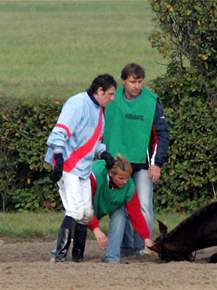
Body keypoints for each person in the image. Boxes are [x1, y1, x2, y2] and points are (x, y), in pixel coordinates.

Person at [45, 74, 117, 262]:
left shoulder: (100, 110)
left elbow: (95, 142)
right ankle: (59, 255)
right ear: (99, 91)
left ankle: (78, 255)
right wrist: (58, 160)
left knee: (86, 214)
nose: (112, 98)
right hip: (68, 165)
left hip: (83, 168)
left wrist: (104, 154)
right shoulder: (76, 104)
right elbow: (59, 133)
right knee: (75, 212)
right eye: (110, 94)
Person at [103, 63, 169, 256]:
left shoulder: (152, 102)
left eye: (140, 82)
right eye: (133, 82)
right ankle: (125, 247)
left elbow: (161, 135)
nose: (137, 86)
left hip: (142, 164)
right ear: (124, 81)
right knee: (119, 206)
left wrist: (156, 163)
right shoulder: (111, 98)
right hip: (116, 164)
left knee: (144, 205)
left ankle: (143, 248)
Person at [87, 156, 154, 263]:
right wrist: (96, 229)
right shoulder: (95, 176)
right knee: (76, 221)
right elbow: (85, 206)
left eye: (127, 178)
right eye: (121, 178)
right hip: (87, 205)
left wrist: (146, 237)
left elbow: (135, 214)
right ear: (110, 174)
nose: (125, 182)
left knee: (120, 215)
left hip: (112, 205)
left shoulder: (129, 186)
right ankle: (59, 253)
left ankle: (112, 257)